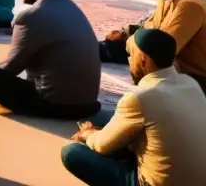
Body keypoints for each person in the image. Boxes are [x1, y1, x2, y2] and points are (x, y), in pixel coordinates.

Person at [63, 28, 206, 186]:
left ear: (143, 59)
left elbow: (101, 145)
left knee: (72, 153)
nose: (129, 61)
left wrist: (87, 134)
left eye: (130, 55)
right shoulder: (191, 84)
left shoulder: (140, 98)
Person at [100, 0, 206, 94]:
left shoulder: (190, 5)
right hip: (163, 62)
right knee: (99, 47)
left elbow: (160, 54)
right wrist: (126, 33)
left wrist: (131, 42)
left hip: (191, 81)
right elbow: (153, 24)